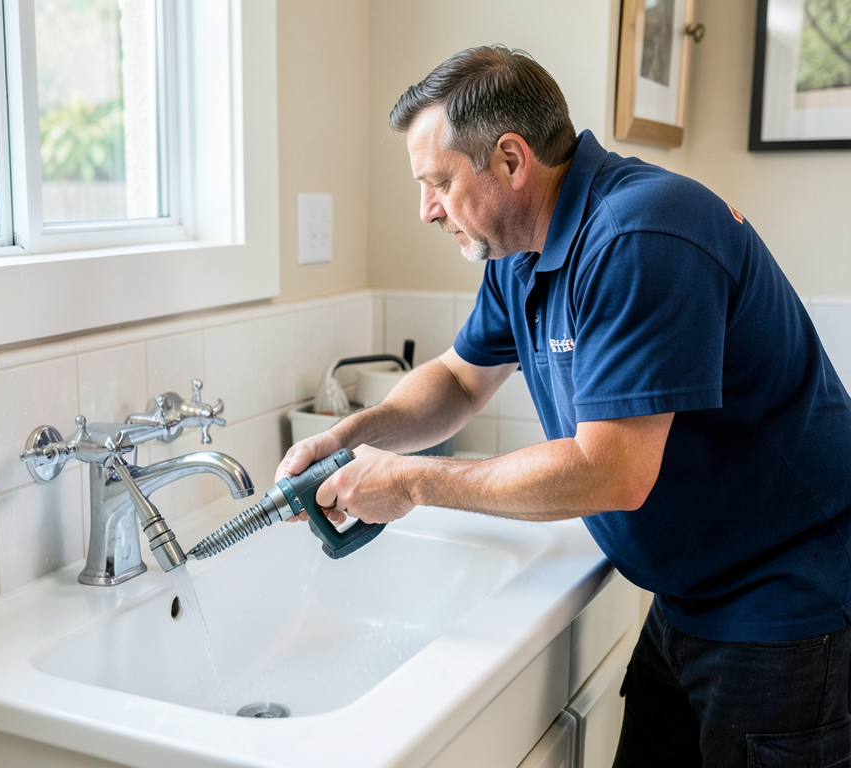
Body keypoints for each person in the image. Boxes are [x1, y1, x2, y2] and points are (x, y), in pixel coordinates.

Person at [277, 45, 851, 767]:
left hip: (785, 607)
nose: (426, 210)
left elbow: (610, 472)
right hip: (687, 598)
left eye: (439, 182)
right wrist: (350, 436)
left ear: (512, 162)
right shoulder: (519, 249)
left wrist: (415, 481)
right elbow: (458, 380)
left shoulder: (642, 234)